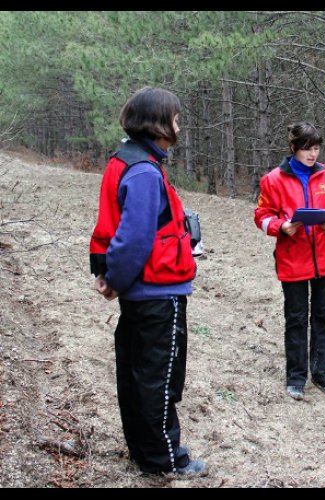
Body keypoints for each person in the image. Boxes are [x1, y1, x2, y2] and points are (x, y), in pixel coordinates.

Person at [89, 86, 206, 475]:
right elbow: (133, 238)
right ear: (158, 123)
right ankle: (165, 460)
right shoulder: (142, 171)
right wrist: (115, 280)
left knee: (138, 373)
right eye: (175, 118)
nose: (179, 125)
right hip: (158, 295)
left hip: (146, 293)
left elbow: (124, 230)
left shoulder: (128, 160)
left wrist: (109, 275)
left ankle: (143, 450)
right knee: (158, 378)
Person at [254, 121, 325, 401]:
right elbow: (261, 216)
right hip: (292, 259)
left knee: (323, 318)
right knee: (296, 319)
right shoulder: (272, 179)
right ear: (293, 148)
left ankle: (323, 375)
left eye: (317, 148)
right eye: (307, 149)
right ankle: (296, 378)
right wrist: (280, 227)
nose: (313, 154)